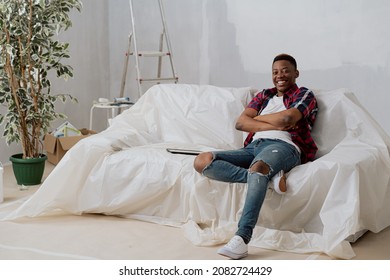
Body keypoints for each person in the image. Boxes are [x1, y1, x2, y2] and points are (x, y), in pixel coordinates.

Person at [193, 53, 318, 259]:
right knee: (202, 161)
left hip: (284, 145)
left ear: (296, 73)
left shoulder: (304, 94)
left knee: (258, 168)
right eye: (275, 72)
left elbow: (287, 117)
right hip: (252, 147)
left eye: (286, 70)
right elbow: (241, 123)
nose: (280, 75)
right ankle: (267, 176)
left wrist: (260, 120)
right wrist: (274, 121)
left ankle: (242, 239)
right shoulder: (264, 95)